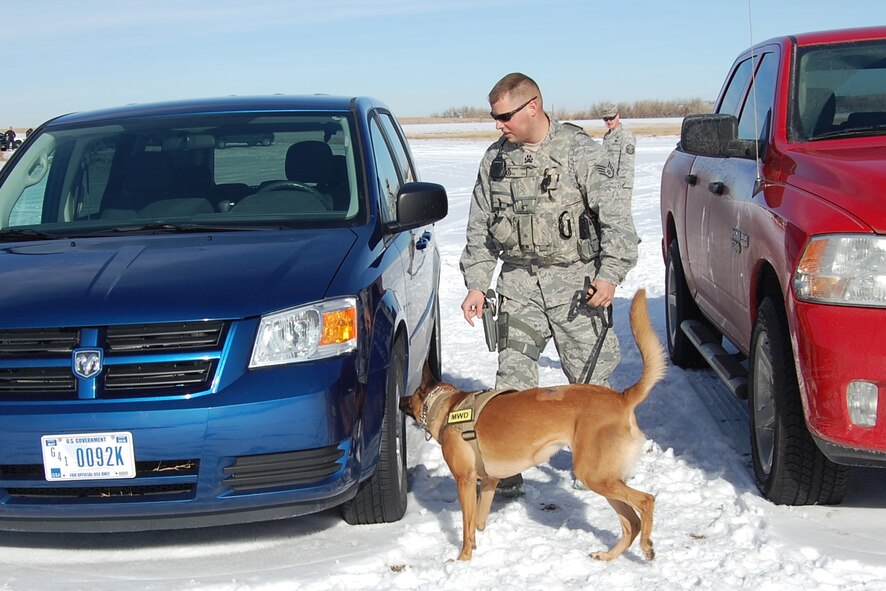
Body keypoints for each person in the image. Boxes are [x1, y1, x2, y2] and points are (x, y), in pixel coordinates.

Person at [459, 73, 639, 493]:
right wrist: (476, 284)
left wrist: (610, 273)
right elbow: (480, 227)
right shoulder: (495, 160)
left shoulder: (579, 152)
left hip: (577, 287)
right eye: (494, 117)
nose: (498, 125)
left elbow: (617, 222)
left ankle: (602, 459)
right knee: (513, 379)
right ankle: (507, 466)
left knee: (590, 384)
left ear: (532, 107)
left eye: (504, 116)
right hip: (519, 284)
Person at [600, 104, 636, 201]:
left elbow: (627, 165)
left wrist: (621, 188)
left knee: (621, 215)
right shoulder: (607, 136)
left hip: (621, 187)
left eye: (611, 118)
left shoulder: (625, 136)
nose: (609, 121)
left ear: (618, 116)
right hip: (608, 185)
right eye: (606, 119)